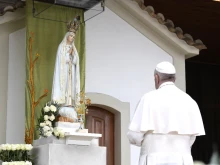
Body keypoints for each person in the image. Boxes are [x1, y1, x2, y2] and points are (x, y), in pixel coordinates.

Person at [127, 61, 205, 165]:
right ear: (174, 79)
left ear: (156, 78)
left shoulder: (148, 99)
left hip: (153, 160)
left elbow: (134, 136)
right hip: (182, 160)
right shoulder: (189, 100)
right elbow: (192, 138)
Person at [51, 31, 80, 107]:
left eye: (73, 37)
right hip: (63, 70)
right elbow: (60, 60)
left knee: (70, 85)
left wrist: (73, 55)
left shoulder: (73, 48)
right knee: (65, 85)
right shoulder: (61, 46)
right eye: (71, 36)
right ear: (67, 36)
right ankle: (63, 104)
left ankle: (70, 103)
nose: (72, 38)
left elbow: (76, 61)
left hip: (71, 70)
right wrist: (68, 53)